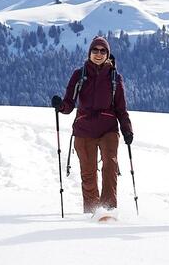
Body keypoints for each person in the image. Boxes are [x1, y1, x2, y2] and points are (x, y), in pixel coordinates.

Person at [51, 36, 134, 214]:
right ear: (89, 53)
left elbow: (121, 109)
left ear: (108, 54)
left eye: (103, 51)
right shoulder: (79, 75)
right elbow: (69, 103)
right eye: (95, 50)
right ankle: (92, 212)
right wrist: (61, 106)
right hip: (84, 129)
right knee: (88, 174)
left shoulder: (114, 78)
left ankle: (108, 210)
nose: (98, 54)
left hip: (108, 129)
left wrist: (127, 130)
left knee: (110, 166)